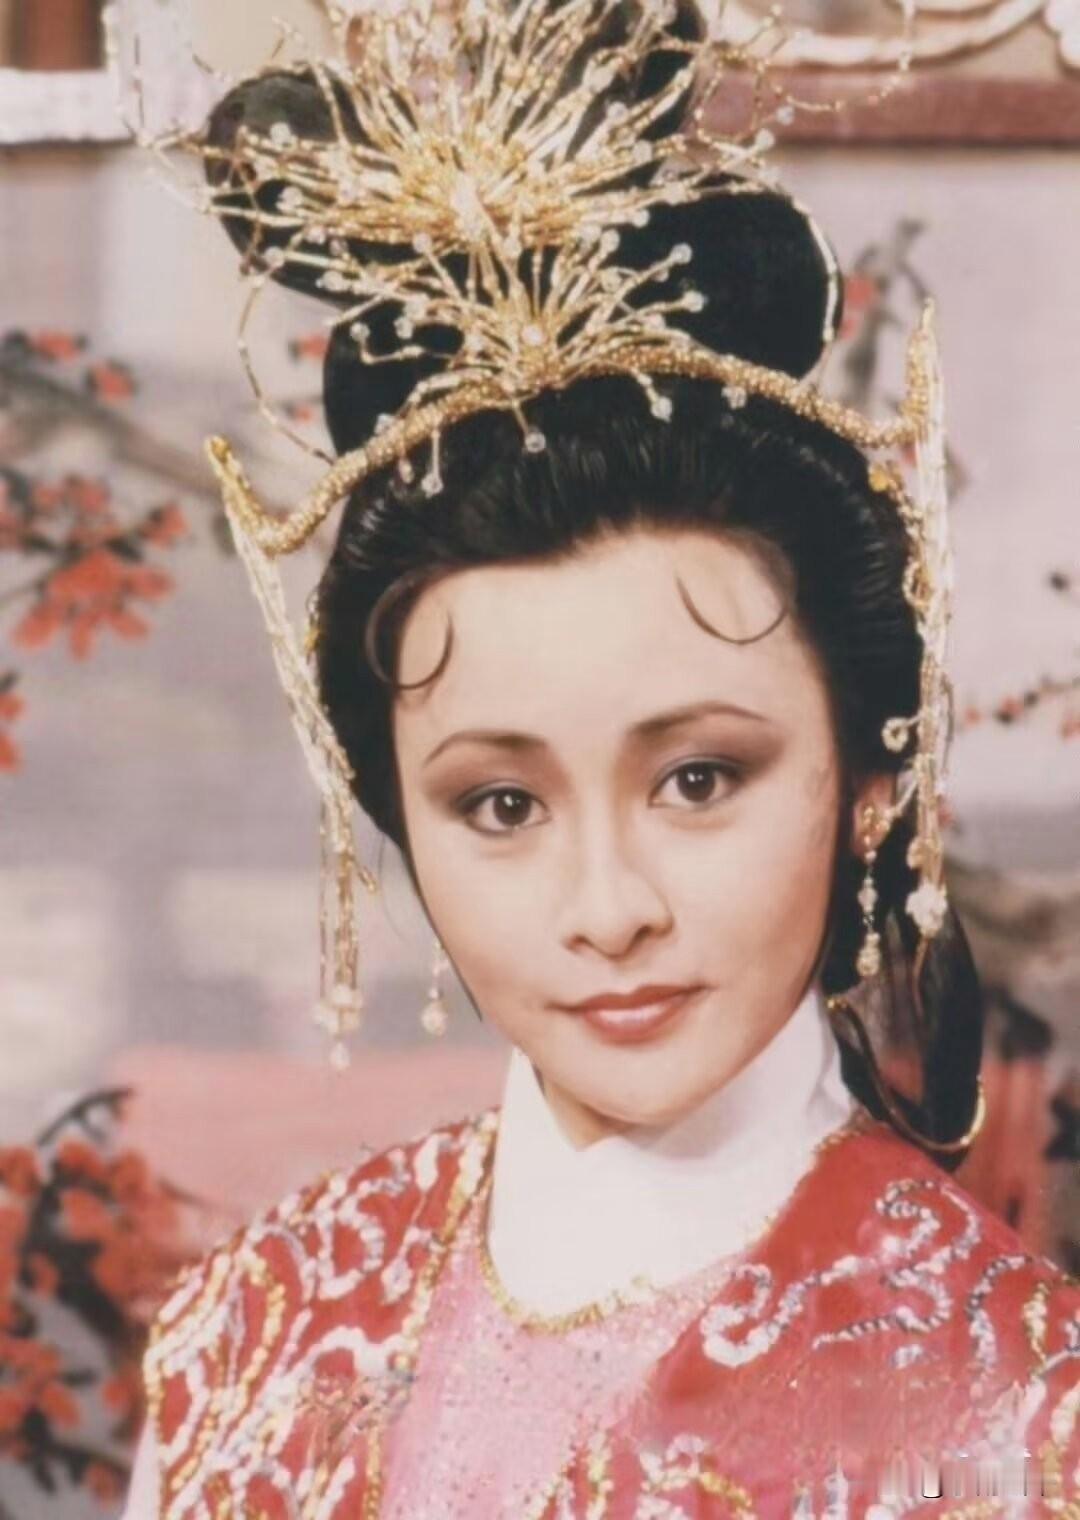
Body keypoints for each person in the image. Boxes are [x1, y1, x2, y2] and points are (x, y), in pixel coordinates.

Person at [122, 0, 1079, 1513]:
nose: (607, 906)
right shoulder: (251, 1333)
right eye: (500, 803)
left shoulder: (1019, 1420)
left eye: (699, 779)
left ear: (875, 780)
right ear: (393, 811)